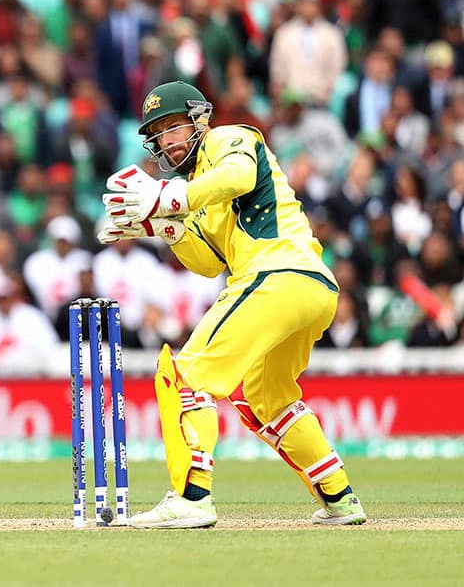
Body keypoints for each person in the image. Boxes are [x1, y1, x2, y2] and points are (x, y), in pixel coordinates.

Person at [98, 81, 366, 529]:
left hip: (278, 275)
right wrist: (158, 226)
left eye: (173, 127)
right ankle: (340, 498)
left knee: (184, 374)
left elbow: (238, 177)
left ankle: (192, 497)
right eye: (159, 134)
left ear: (199, 119)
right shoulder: (197, 191)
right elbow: (206, 263)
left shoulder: (230, 138)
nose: (167, 140)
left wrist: (167, 199)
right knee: (266, 398)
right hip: (305, 290)